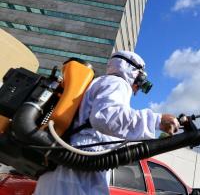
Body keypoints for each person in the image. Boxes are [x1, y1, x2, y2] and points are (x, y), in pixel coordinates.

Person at [34, 50, 180, 195]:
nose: (139, 87)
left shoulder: (101, 83)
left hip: (67, 167)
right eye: (141, 77)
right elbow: (106, 117)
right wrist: (157, 120)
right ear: (133, 72)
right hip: (81, 167)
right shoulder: (117, 83)